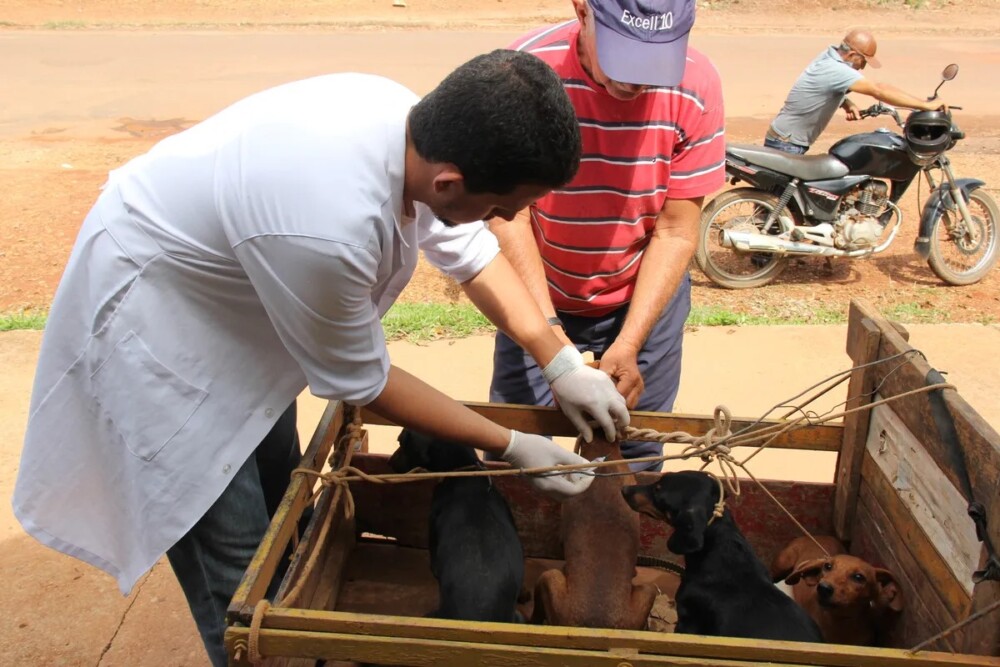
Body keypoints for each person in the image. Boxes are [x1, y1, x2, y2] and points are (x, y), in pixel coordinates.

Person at [12, 49, 630, 666]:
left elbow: (467, 248)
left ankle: (305, 623)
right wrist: (511, 445)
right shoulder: (326, 226)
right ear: (449, 181)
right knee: (241, 563)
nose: (508, 219)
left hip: (240, 312)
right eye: (503, 206)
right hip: (163, 343)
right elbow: (365, 381)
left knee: (284, 493)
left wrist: (560, 360)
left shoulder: (407, 122)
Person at [488, 0, 725, 471]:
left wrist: (631, 342)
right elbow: (508, 217)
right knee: (522, 444)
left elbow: (677, 231)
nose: (634, 81)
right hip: (538, 288)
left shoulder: (696, 86)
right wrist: (552, 345)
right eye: (622, 56)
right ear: (582, 10)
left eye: (653, 61)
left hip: (643, 296)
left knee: (635, 445)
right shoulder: (524, 76)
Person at [765, 27, 947, 154]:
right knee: (780, 202)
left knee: (779, 201)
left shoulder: (829, 55)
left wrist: (846, 102)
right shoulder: (837, 69)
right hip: (787, 143)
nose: (862, 67)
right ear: (852, 55)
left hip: (785, 136)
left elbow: (820, 86)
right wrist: (926, 105)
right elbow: (879, 90)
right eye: (863, 61)